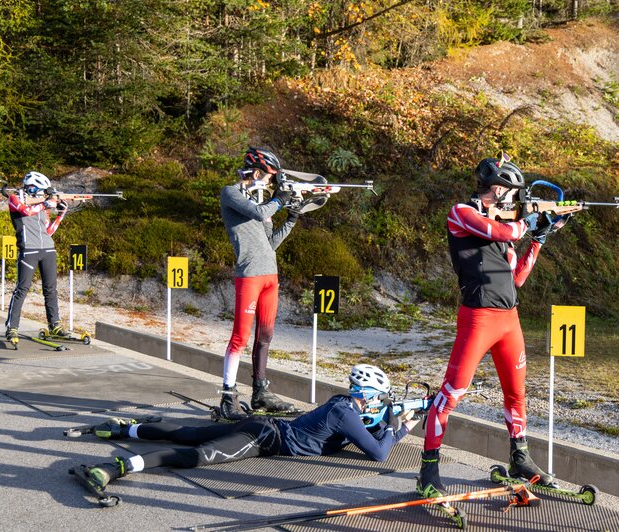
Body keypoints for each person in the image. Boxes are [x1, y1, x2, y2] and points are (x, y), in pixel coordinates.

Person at [416, 154, 567, 498]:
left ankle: (520, 457)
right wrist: (531, 221)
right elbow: (500, 228)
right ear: (498, 190)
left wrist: (540, 237)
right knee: (451, 393)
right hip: (478, 318)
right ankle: (428, 468)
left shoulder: (506, 233)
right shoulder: (462, 213)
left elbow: (517, 279)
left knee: (516, 393)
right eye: (513, 195)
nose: (516, 202)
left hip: (508, 319)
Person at [81, 364, 420, 490]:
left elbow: (369, 433)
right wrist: (399, 428)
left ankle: (127, 430)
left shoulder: (343, 404)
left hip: (265, 426)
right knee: (200, 454)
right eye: (381, 397)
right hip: (265, 438)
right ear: (370, 394)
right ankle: (119, 466)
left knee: (189, 433)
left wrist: (390, 424)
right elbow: (377, 452)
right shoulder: (346, 415)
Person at [217, 147, 299, 419]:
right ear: (256, 172)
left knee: (265, 337)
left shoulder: (261, 201)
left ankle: (259, 392)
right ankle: (228, 396)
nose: (270, 183)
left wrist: (292, 218)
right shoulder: (230, 194)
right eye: (269, 177)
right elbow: (258, 212)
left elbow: (270, 243)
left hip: (269, 276)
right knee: (240, 337)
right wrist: (279, 200)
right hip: (250, 276)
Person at [1, 171, 69, 342]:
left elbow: (48, 232)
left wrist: (60, 215)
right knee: (22, 289)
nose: (43, 194)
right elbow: (26, 210)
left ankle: (55, 325)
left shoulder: (42, 207)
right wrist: (46, 203)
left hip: (47, 249)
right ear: (32, 188)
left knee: (51, 290)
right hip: (28, 250)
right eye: (41, 190)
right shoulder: (15, 199)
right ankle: (12, 327)